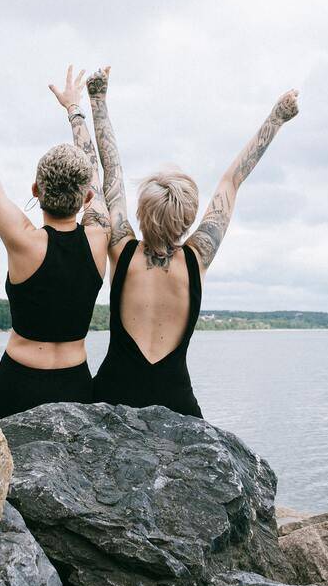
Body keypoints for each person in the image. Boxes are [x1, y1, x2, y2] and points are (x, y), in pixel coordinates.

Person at [87, 66, 299, 417]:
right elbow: (232, 181)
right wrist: (276, 118)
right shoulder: (198, 256)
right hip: (176, 401)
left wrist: (98, 100)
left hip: (112, 393)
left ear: (142, 212)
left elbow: (113, 174)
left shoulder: (120, 247)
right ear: (188, 220)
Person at [0, 40, 111, 419]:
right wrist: (74, 110)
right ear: (87, 199)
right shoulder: (99, 238)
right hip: (76, 388)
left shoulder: (23, 240)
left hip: (17, 386)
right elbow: (96, 174)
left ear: (36, 191)